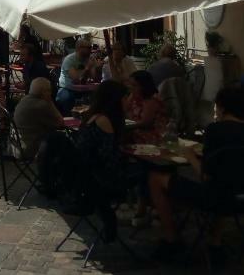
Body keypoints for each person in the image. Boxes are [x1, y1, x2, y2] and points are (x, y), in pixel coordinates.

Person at [149, 83, 244, 263]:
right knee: (228, 180)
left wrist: (190, 156)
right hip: (238, 199)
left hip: (212, 197)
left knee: (156, 178)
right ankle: (214, 240)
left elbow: (206, 175)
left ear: (222, 107)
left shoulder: (216, 130)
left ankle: (172, 238)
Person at [74, 81, 129, 239]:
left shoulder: (92, 116)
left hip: (86, 178)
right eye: (126, 97)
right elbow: (109, 158)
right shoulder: (104, 121)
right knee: (148, 175)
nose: (129, 100)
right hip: (101, 180)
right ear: (116, 100)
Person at [14, 76, 65, 161]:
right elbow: (60, 123)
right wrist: (50, 102)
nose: (51, 93)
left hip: (16, 146)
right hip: (31, 149)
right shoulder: (42, 105)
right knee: (62, 139)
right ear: (43, 92)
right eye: (49, 90)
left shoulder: (24, 100)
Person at [56, 38, 102, 115]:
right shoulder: (69, 59)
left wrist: (97, 68)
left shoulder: (90, 59)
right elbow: (76, 79)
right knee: (67, 98)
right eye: (87, 47)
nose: (90, 50)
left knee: (100, 97)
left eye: (90, 47)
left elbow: (95, 78)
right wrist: (87, 68)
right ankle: (68, 118)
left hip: (84, 89)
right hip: (67, 88)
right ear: (78, 48)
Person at [124, 70, 167, 144]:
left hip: (150, 134)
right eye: (130, 84)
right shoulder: (134, 94)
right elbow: (125, 110)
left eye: (134, 85)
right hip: (135, 129)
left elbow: (145, 123)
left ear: (143, 86)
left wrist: (125, 127)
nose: (130, 87)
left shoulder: (152, 100)